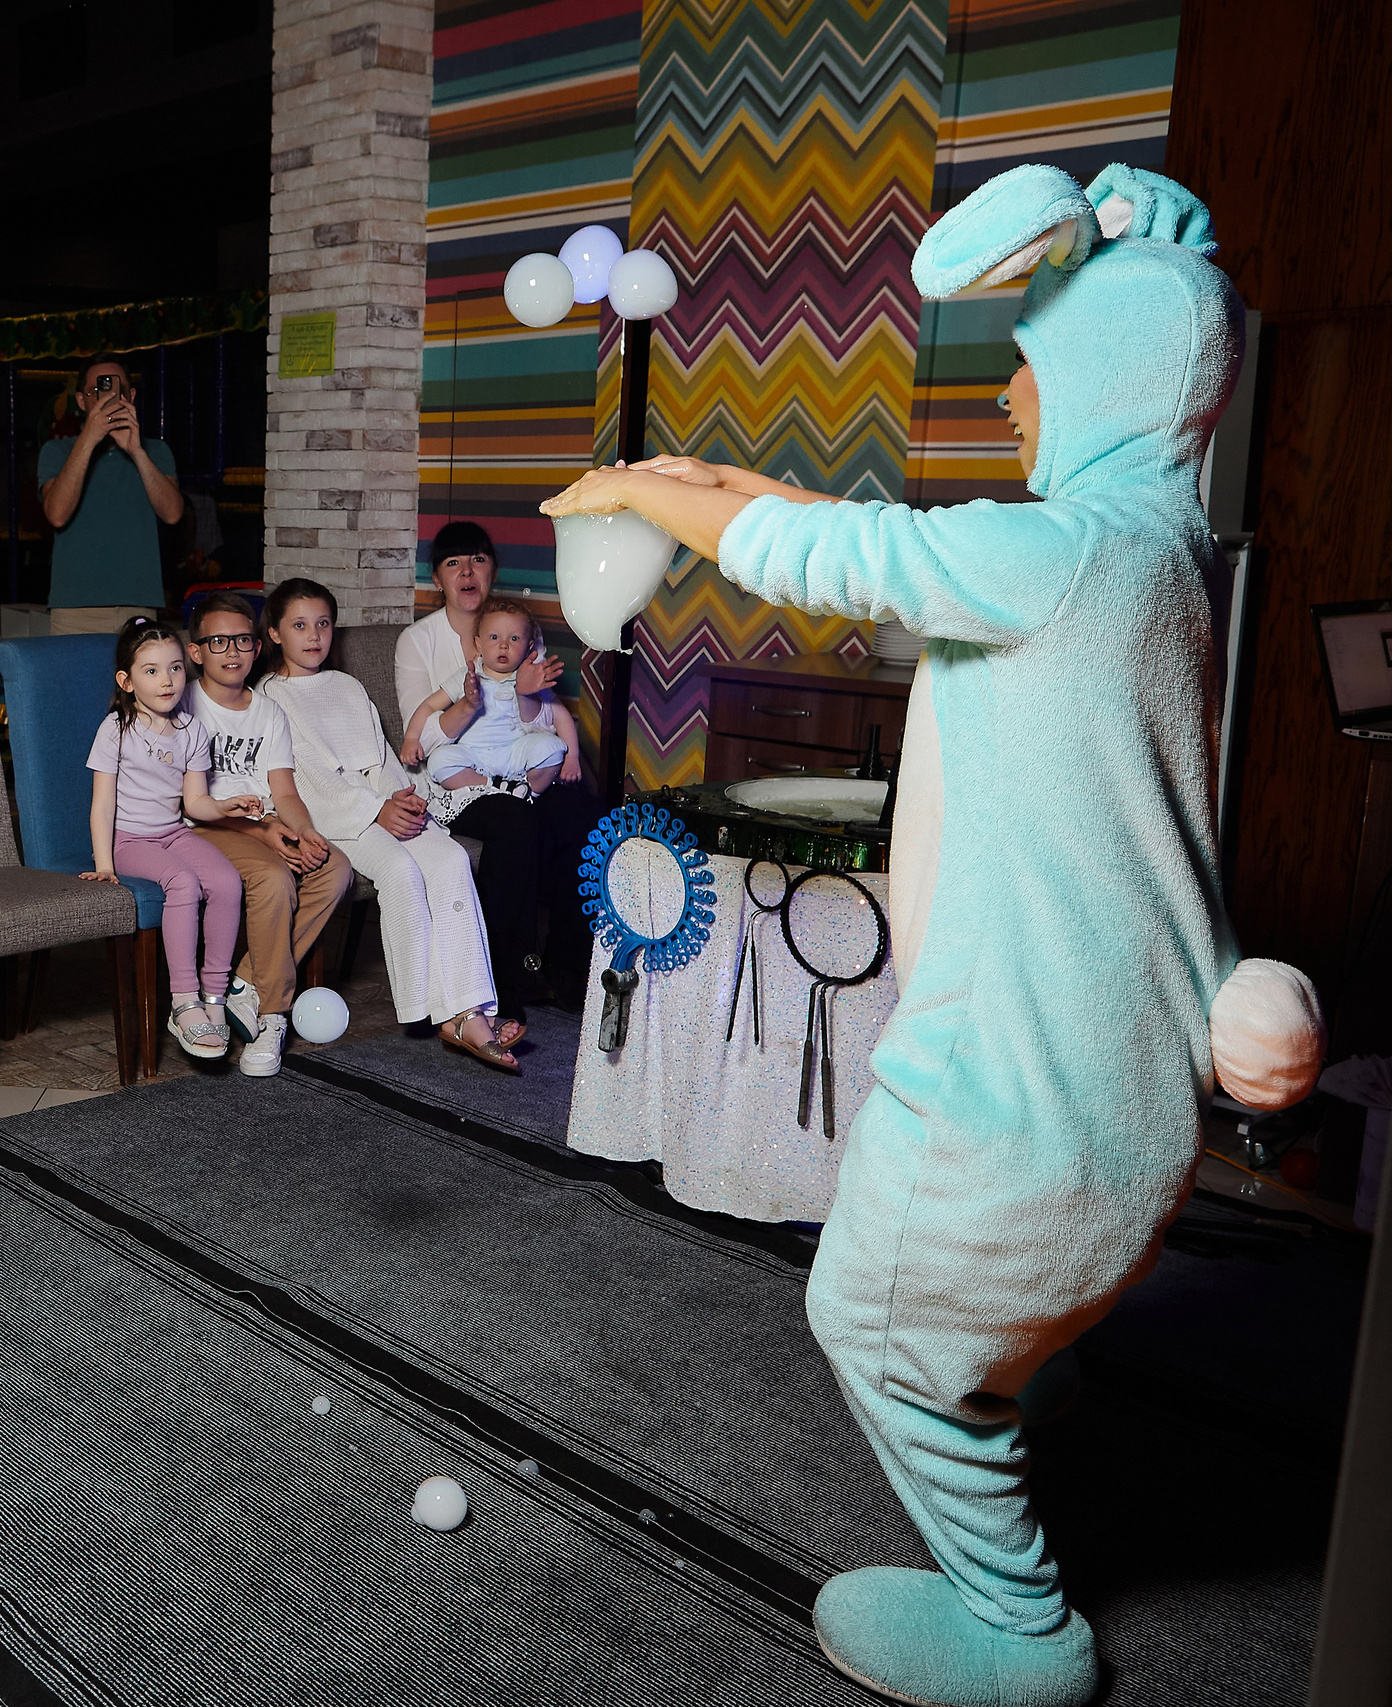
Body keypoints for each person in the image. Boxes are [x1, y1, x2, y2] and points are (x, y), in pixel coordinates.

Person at [540, 162, 1325, 1707]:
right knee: (1010, 1309)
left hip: (1012, 1104)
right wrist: (710, 473)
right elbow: (856, 527)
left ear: (1099, 382)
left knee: (874, 1324)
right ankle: (1028, 1364)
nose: (1016, 400)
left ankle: (1018, 1622)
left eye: (1031, 369)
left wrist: (643, 491)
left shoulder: (1061, 556)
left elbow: (834, 561)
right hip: (1130, 1110)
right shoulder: (1159, 565)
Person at [256, 579, 520, 1072]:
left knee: (449, 858)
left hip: (380, 803)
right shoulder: (271, 698)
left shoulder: (348, 686)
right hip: (334, 818)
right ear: (274, 633)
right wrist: (376, 810)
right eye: (299, 626)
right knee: (400, 871)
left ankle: (472, 1009)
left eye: (323, 624)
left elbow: (380, 757)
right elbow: (307, 780)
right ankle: (431, 1012)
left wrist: (402, 798)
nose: (314, 636)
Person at [393, 520, 610, 1014]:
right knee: (518, 824)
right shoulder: (419, 642)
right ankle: (504, 980)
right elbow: (421, 735)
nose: (467, 572)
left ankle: (569, 973)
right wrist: (469, 707)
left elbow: (540, 726)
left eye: (478, 560)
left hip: (522, 767)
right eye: (453, 563)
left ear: (492, 571)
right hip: (458, 777)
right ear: (438, 580)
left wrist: (529, 696)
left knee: (586, 821)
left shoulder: (518, 632)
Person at [182, 592, 352, 1077]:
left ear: (258, 648)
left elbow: (286, 791)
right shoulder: (184, 703)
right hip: (206, 826)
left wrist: (305, 832)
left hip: (266, 821)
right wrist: (265, 832)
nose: (232, 651)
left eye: (242, 640)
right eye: (217, 642)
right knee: (273, 880)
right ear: (195, 652)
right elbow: (186, 802)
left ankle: (247, 983)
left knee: (335, 866)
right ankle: (272, 1016)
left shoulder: (269, 712)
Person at [82, 616, 261, 1061]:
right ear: (126, 681)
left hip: (172, 832)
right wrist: (105, 864)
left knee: (226, 881)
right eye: (151, 671)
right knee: (182, 882)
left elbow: (194, 802)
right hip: (128, 842)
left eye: (176, 668)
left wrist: (225, 807)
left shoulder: (191, 730)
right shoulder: (115, 730)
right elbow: (102, 806)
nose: (167, 680)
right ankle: (183, 1001)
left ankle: (214, 996)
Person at [36, 357, 184, 633]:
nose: (107, 399)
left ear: (130, 397)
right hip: (75, 608)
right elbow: (56, 514)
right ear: (82, 401)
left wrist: (136, 451)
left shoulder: (155, 451)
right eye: (97, 391)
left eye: (115, 390)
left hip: (138, 604)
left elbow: (173, 513)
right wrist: (89, 438)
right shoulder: (56, 452)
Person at [416, 598, 579, 795]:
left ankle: (529, 791)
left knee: (553, 748)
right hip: (474, 755)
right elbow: (430, 705)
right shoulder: (467, 676)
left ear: (529, 648)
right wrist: (411, 738)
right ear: (479, 644)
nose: (503, 646)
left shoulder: (530, 678)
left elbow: (561, 715)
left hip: (516, 752)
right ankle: (493, 786)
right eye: (494, 637)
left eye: (514, 639)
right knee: (439, 761)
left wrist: (572, 758)